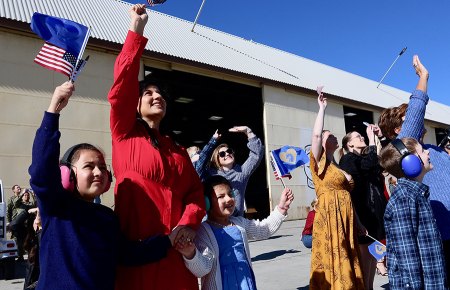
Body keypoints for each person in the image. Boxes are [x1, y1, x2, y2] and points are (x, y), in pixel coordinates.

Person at [28, 82, 179, 290]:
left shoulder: (107, 218)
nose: (99, 172)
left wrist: (168, 240)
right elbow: (41, 171)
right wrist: (53, 110)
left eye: (102, 167)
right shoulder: (57, 206)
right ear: (67, 174)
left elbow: (127, 254)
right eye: (89, 166)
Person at [107, 4, 206, 289]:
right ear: (136, 105)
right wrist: (136, 31)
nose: (156, 96)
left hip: (176, 258)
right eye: (148, 93)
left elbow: (195, 194)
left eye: (161, 94)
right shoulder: (124, 133)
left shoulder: (176, 150)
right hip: (138, 258)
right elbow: (122, 88)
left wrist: (186, 224)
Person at [378, 55, 450, 280]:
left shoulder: (434, 151)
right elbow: (417, 112)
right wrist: (423, 78)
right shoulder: (407, 152)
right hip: (443, 239)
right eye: (406, 118)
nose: (415, 118)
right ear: (399, 131)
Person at [179, 175, 294, 290]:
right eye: (221, 196)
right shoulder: (204, 231)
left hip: (245, 283)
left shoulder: (239, 223)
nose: (229, 199)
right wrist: (191, 254)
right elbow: (203, 268)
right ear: (207, 203)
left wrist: (281, 208)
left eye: (230, 194)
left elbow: (264, 230)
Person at [309, 92, 364, 289]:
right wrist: (322, 108)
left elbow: (347, 196)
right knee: (333, 257)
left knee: (348, 256)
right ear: (323, 143)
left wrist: (357, 221)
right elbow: (316, 135)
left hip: (346, 217)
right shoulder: (319, 163)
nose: (333, 136)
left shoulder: (338, 165)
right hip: (330, 216)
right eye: (329, 135)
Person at [379, 137, 448, 289]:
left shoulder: (416, 194)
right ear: (410, 162)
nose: (428, 151)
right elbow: (407, 256)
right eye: (422, 151)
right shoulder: (404, 199)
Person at [339, 125, 387, 289]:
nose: (362, 138)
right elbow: (367, 166)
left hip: (374, 217)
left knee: (372, 262)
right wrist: (372, 141)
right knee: (365, 265)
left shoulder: (365, 158)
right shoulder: (347, 160)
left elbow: (382, 164)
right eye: (358, 136)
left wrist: (381, 139)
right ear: (349, 145)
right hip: (363, 217)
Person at [195, 126, 264, 217]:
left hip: (235, 222)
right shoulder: (210, 174)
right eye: (222, 154)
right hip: (212, 223)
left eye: (229, 151)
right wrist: (213, 141)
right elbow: (199, 166)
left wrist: (248, 131)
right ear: (217, 159)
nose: (227, 154)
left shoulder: (241, 173)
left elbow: (256, 155)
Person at [23, 207, 41, 290]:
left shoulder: (45, 238)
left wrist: (38, 209)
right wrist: (27, 212)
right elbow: (15, 224)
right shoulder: (33, 240)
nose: (37, 219)